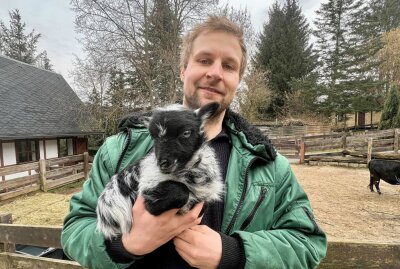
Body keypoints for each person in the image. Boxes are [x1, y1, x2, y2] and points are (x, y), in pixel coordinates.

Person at [61, 15, 327, 269]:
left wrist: (235, 253)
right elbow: (75, 229)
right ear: (183, 69)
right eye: (204, 60)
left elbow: (308, 243)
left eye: (229, 66)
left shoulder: (269, 166)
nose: (215, 73)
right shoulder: (119, 149)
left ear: (238, 80)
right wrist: (125, 246)